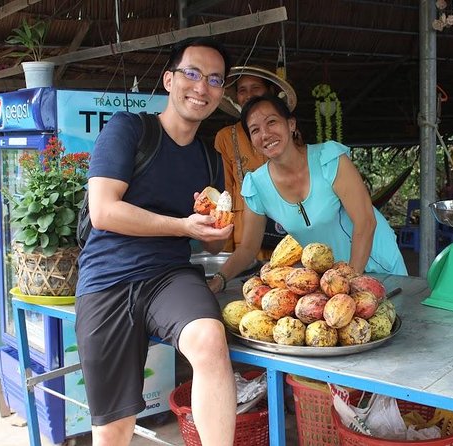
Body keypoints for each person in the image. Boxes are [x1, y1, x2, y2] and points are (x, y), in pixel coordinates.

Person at [75, 37, 236, 446]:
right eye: (192, 74)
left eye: (215, 80)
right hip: (108, 277)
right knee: (114, 428)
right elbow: (104, 212)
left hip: (169, 276)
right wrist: (183, 226)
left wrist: (217, 230)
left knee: (209, 339)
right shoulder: (129, 129)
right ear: (169, 79)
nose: (202, 87)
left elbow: (213, 245)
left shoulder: (208, 160)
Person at [209, 94, 407, 292]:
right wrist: (219, 279)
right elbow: (247, 249)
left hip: (376, 263)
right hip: (331, 279)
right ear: (252, 141)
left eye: (272, 122)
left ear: (291, 124)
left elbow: (365, 221)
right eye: (255, 130)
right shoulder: (256, 185)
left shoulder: (328, 159)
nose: (265, 134)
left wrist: (349, 282)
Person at [214, 66, 297, 259]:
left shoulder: (285, 131)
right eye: (242, 90)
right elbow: (224, 193)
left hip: (287, 233)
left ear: (269, 92)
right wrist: (225, 250)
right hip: (243, 235)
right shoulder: (225, 137)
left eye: (255, 88)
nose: (248, 95)